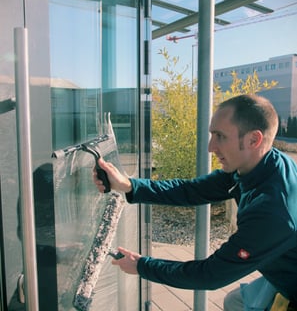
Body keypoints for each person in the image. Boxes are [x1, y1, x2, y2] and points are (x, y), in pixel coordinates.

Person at [93, 94, 297, 310]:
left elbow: (210, 275)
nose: (211, 147)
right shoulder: (261, 163)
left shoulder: (273, 212)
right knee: (233, 301)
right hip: (281, 269)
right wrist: (130, 185)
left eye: (220, 136)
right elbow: (191, 190)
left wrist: (142, 266)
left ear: (254, 140)